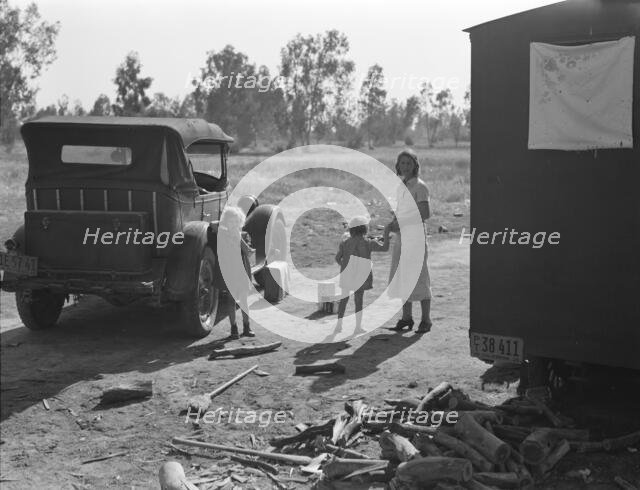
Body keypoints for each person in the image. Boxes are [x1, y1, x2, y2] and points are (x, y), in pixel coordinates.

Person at [387, 149, 433, 333]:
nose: (405, 166)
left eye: (408, 163)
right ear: (398, 166)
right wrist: (393, 223)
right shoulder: (401, 186)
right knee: (403, 275)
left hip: (415, 237)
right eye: (402, 163)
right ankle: (406, 318)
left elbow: (425, 213)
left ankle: (426, 320)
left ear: (415, 165)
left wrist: (402, 221)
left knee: (419, 276)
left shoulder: (420, 187)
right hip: (402, 237)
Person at [334, 215, 391, 334]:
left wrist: (344, 266)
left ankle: (338, 326)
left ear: (351, 229)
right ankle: (357, 327)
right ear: (365, 229)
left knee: (344, 299)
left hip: (347, 273)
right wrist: (387, 234)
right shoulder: (368, 243)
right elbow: (385, 248)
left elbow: (338, 258)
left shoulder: (345, 243)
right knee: (358, 300)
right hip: (361, 275)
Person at [217, 206, 255, 339]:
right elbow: (213, 225)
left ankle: (247, 327)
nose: (233, 224)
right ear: (226, 222)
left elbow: (249, 253)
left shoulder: (244, 236)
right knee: (230, 300)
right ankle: (234, 329)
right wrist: (227, 231)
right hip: (230, 271)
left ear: (240, 222)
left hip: (242, 271)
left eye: (235, 222)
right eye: (230, 222)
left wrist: (240, 239)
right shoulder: (222, 235)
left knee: (244, 300)